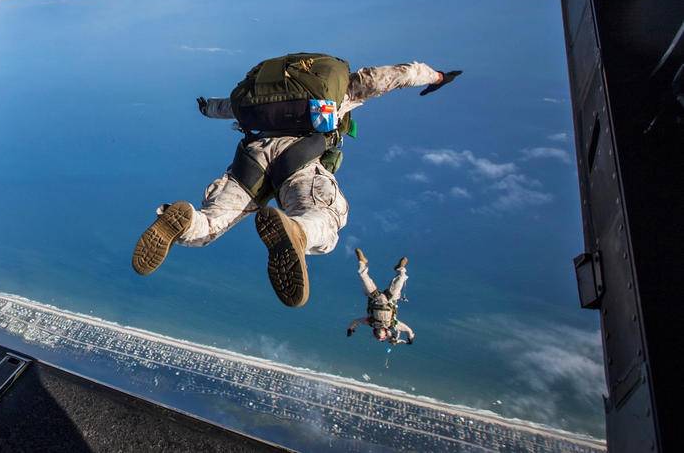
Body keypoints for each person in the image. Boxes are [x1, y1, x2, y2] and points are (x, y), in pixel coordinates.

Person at [131, 57, 460, 307]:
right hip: (299, 156)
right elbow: (398, 75)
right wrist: (437, 77)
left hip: (252, 155)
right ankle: (299, 233)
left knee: (211, 226)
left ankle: (188, 220)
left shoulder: (262, 99)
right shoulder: (344, 89)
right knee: (327, 221)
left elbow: (223, 108)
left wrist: (205, 108)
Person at [346, 249, 415, 345]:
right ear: (386, 333)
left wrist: (350, 329)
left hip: (375, 297)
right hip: (390, 298)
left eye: (377, 335)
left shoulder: (370, 322)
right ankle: (401, 268)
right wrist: (410, 338)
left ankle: (362, 262)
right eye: (381, 336)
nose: (379, 334)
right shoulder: (393, 324)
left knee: (362, 276)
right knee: (401, 279)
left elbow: (355, 321)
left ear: (374, 332)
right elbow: (408, 330)